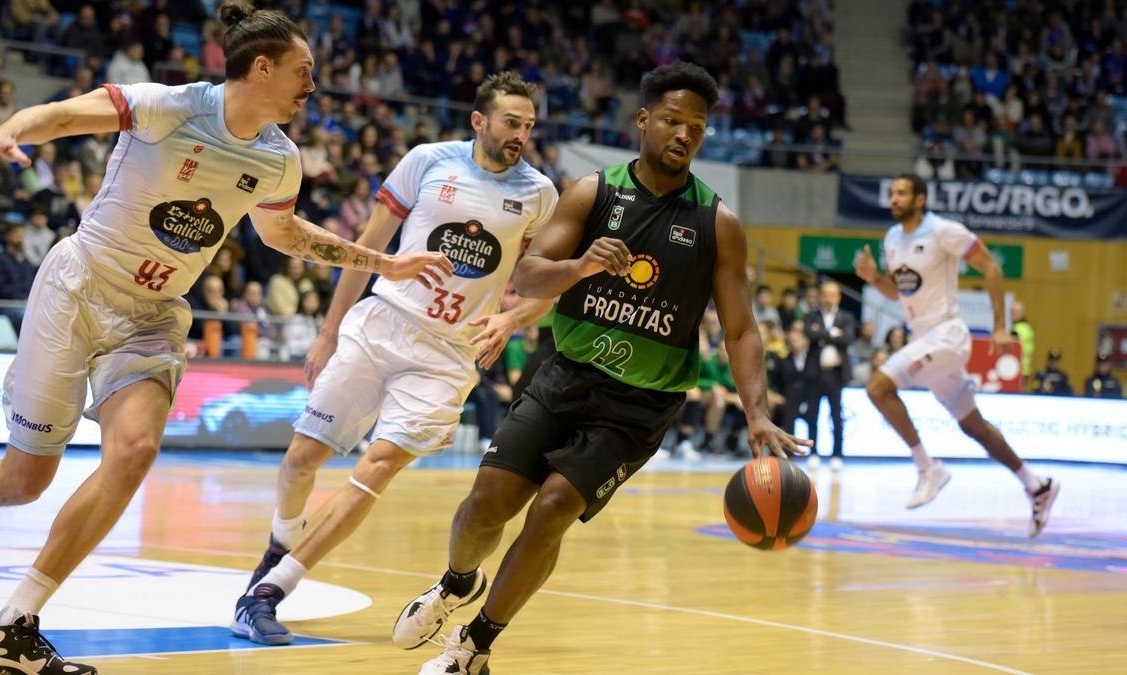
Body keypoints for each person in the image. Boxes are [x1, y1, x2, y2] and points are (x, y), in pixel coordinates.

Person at [0, 5, 451, 674]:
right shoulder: (168, 107)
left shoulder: (279, 159)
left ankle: (11, 625)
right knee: (23, 479)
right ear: (260, 68)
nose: (312, 88)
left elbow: (287, 237)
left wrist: (388, 264)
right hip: (79, 288)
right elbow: (64, 114)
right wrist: (9, 128)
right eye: (303, 72)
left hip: (152, 315)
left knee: (137, 449)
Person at [396, 62, 808, 675]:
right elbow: (529, 274)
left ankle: (475, 647)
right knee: (487, 503)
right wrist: (583, 266)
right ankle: (457, 584)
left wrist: (758, 414)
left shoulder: (718, 224)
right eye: (672, 120)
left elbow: (742, 330)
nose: (684, 134)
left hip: (639, 406)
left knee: (553, 508)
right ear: (643, 120)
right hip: (563, 373)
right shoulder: (593, 192)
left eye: (697, 126)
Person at [232, 71, 559, 646]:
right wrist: (330, 330)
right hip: (381, 325)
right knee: (302, 459)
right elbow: (368, 246)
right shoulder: (427, 160)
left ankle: (268, 591)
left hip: (448, 355)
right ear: (479, 120)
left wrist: (513, 317)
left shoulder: (540, 194)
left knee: (376, 467)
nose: (521, 134)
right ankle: (279, 546)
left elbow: (547, 282)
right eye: (511, 122)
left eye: (529, 126)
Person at [855, 173, 1058, 537]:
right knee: (972, 425)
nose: (894, 199)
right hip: (924, 339)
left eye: (901, 193)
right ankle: (1036, 484)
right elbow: (894, 293)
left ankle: (927, 468)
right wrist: (872, 277)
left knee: (877, 387)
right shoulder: (891, 238)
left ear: (920, 199)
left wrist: (999, 326)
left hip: (947, 334)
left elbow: (991, 267)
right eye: (892, 193)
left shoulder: (943, 231)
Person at [802, 280, 855, 470]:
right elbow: (809, 334)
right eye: (825, 294)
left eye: (832, 294)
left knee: (836, 415)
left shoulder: (846, 316)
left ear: (838, 297)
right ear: (821, 295)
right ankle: (813, 452)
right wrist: (833, 334)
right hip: (815, 373)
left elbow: (848, 338)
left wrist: (823, 334)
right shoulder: (811, 315)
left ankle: (837, 454)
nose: (828, 298)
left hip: (836, 374)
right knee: (812, 414)